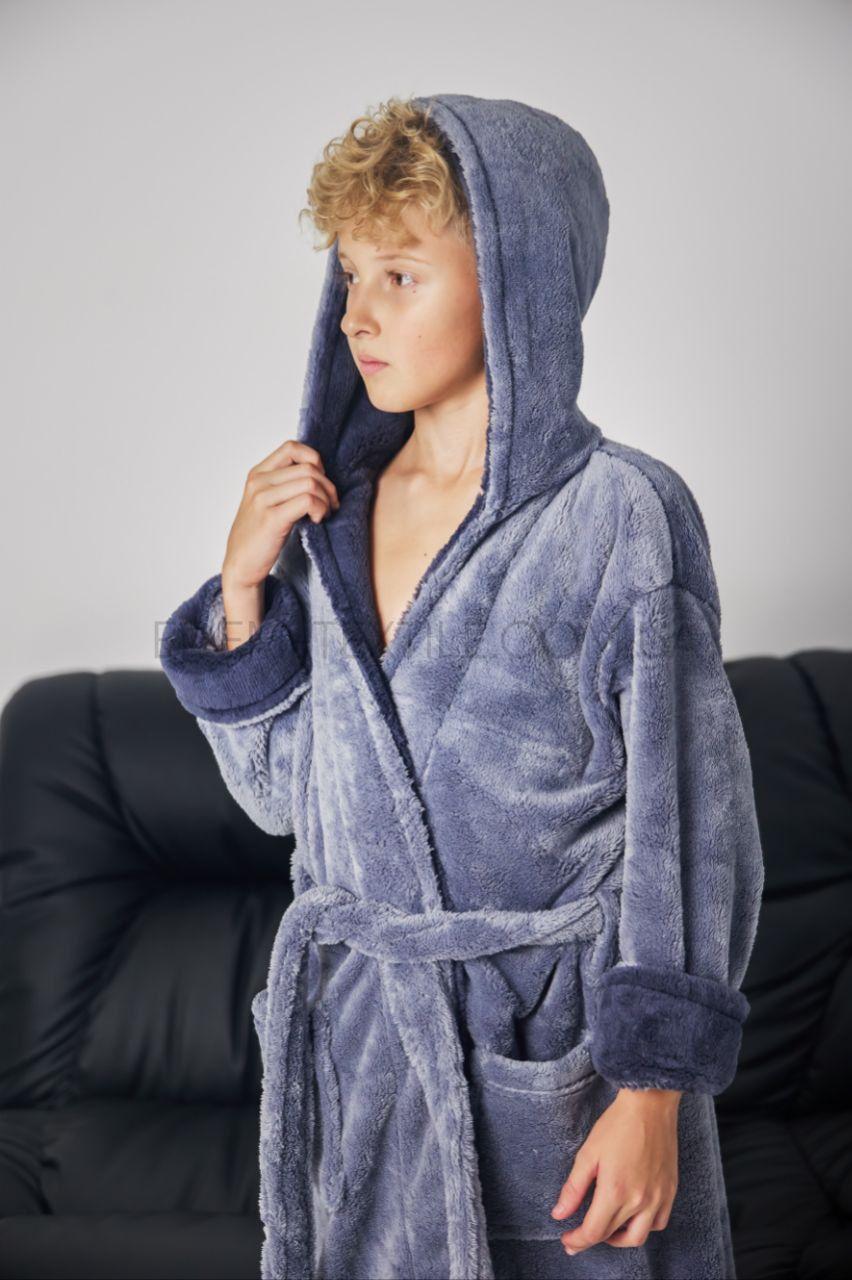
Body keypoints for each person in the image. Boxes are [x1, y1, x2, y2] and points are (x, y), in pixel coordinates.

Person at [159, 94, 765, 1280]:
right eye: (349, 276)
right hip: (363, 1055)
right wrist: (242, 586)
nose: (358, 315)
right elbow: (286, 800)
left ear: (518, 284)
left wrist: (652, 1089)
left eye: (400, 276)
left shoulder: (621, 516)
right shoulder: (327, 519)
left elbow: (691, 822)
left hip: (554, 1049)